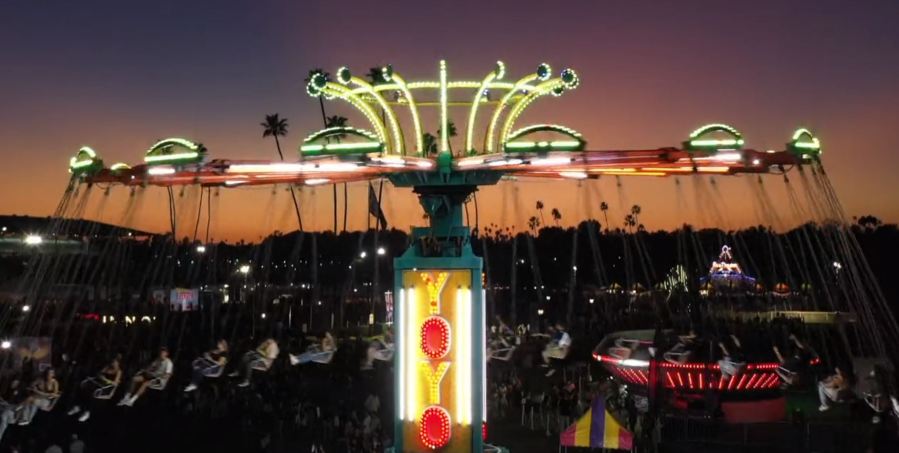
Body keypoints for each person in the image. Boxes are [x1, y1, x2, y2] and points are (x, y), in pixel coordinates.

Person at [67, 354, 122, 422]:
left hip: (107, 389)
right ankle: (78, 406)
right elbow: (99, 373)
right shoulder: (107, 367)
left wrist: (106, 380)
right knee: (84, 387)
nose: (113, 363)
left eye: (114, 362)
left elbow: (114, 383)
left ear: (118, 363)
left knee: (94, 393)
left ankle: (87, 412)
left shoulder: (119, 371)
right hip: (99, 384)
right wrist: (101, 377)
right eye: (112, 361)